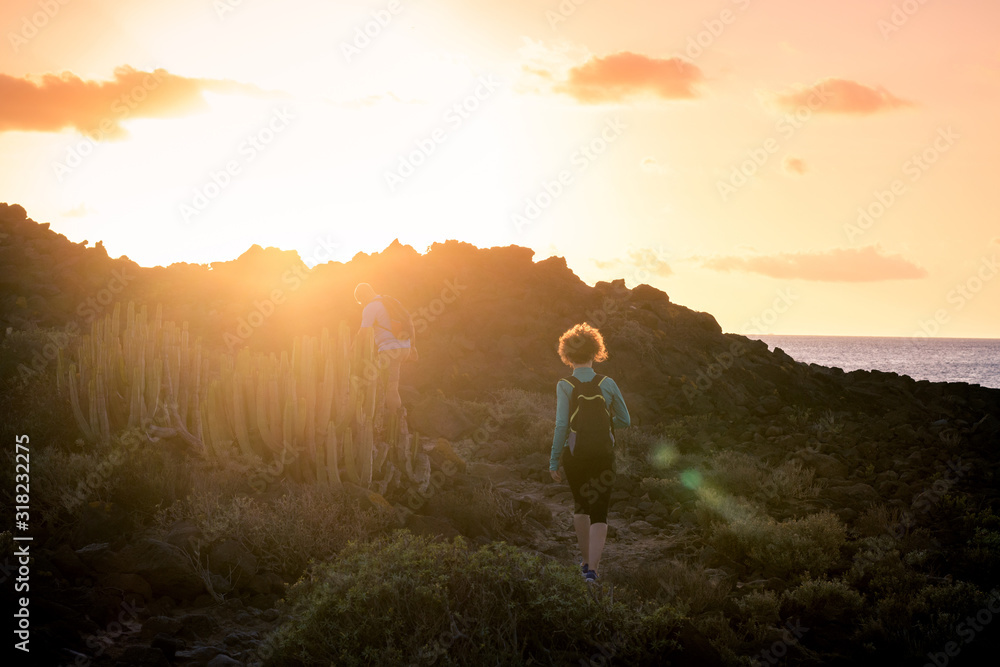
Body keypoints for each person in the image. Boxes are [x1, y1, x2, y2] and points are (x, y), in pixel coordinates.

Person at [549, 323, 630, 582]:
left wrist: (553, 460)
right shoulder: (608, 383)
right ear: (596, 351)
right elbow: (625, 420)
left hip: (574, 455)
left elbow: (562, 425)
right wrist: (604, 426)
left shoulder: (565, 384)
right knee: (600, 512)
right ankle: (594, 571)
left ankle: (584, 562)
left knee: (581, 507)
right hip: (604, 455)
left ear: (567, 354)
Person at [355, 282, 411, 415]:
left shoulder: (370, 307)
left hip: (390, 350)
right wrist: (412, 348)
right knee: (386, 382)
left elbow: (363, 332)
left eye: (360, 300)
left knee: (390, 387)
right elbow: (409, 321)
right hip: (404, 346)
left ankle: (393, 420)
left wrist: (352, 349)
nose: (361, 303)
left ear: (363, 296)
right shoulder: (390, 301)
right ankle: (390, 416)